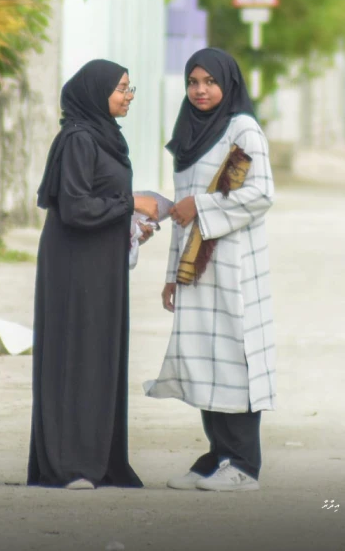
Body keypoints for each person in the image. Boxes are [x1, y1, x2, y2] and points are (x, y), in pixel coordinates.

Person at [144, 48, 276, 492]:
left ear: (228, 84)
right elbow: (180, 216)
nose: (200, 91)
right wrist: (172, 275)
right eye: (193, 82)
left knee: (234, 357)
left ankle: (243, 465)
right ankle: (218, 455)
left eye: (210, 82)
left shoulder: (243, 129)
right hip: (195, 267)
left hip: (233, 266)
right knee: (204, 358)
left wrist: (200, 205)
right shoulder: (189, 133)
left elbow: (261, 194)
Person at [28, 59, 158, 490]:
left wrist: (130, 223)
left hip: (101, 263)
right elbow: (76, 207)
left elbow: (102, 200)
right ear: (96, 92)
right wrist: (131, 204)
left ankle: (97, 462)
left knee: (100, 357)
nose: (128, 96)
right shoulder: (78, 139)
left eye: (130, 87)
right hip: (75, 266)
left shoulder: (105, 136)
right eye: (121, 88)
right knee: (75, 356)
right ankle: (68, 466)